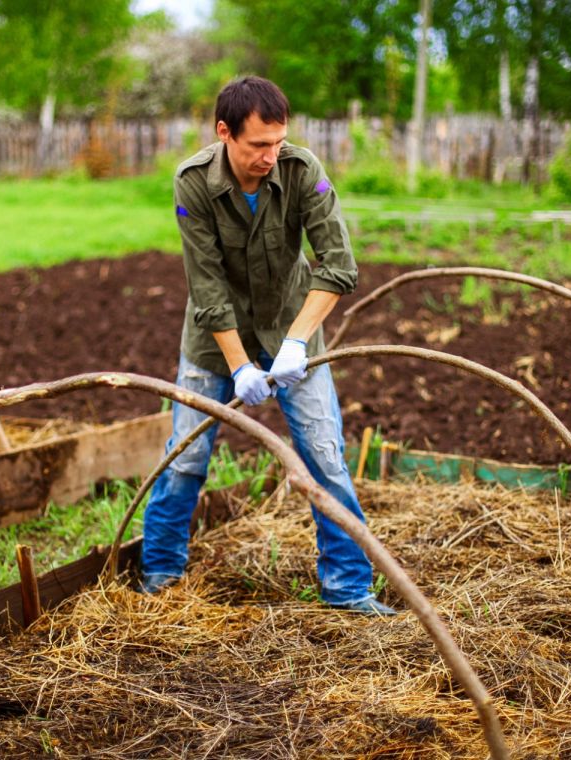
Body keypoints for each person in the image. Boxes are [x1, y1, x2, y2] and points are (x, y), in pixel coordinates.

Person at [139, 76, 394, 616]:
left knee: (325, 459)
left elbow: (341, 267)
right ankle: (160, 573)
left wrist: (297, 343)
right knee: (186, 458)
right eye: (258, 145)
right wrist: (238, 366)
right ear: (224, 132)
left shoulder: (303, 173)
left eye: (278, 143)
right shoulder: (193, 184)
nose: (270, 156)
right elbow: (206, 288)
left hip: (291, 332)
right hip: (214, 345)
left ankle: (348, 587)